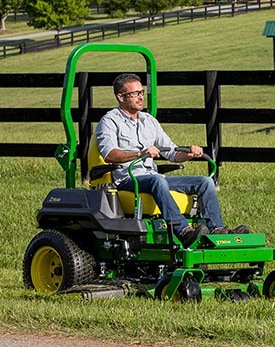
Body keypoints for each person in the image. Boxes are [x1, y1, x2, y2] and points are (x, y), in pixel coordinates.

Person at [96, 73, 249, 245]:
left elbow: (172, 153)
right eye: (134, 94)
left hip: (154, 178)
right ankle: (183, 231)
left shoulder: (149, 121)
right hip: (128, 179)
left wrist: (189, 154)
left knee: (205, 182)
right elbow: (109, 155)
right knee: (157, 180)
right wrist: (140, 154)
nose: (140, 97)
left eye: (141, 92)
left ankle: (217, 230)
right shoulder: (109, 121)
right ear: (120, 97)